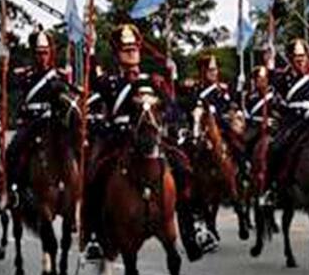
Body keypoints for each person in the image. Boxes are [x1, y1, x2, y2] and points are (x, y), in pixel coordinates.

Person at [83, 23, 215, 261]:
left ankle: (194, 228)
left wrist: (171, 85)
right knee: (94, 175)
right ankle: (94, 237)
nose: (131, 52)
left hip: (150, 137)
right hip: (119, 139)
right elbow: (92, 81)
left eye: (134, 48)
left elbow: (172, 109)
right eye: (125, 49)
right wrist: (90, 50)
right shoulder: (110, 83)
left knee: (183, 166)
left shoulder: (153, 81)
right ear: (117, 54)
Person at [5, 29, 71, 203]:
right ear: (34, 54)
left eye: (45, 52)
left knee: (71, 148)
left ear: (50, 53)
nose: (42, 56)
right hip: (30, 123)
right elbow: (9, 84)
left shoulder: (58, 76)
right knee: (12, 150)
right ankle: (13, 190)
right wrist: (7, 53)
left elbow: (66, 98)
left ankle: (72, 190)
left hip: (50, 122)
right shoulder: (26, 75)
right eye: (39, 53)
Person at [266, 39, 309, 193]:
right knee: (276, 148)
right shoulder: (284, 78)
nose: (300, 60)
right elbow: (273, 87)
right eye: (297, 56)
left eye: (303, 56)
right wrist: (270, 63)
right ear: (291, 58)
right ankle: (271, 187)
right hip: (292, 122)